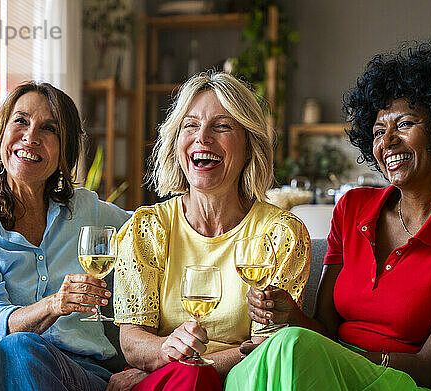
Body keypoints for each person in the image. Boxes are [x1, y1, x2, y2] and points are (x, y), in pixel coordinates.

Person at [225, 38, 431, 390]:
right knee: (264, 359)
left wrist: (333, 352)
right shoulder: (352, 208)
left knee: (288, 351)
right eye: (378, 131)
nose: (387, 141)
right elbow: (326, 331)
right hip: (327, 373)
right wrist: (292, 317)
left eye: (404, 124)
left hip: (413, 383)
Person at [106, 72, 311, 391]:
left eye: (222, 125)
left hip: (244, 382)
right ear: (176, 143)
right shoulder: (148, 227)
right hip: (168, 380)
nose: (202, 137)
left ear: (248, 145)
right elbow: (132, 341)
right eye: (190, 124)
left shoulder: (279, 234)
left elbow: (267, 348)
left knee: (196, 375)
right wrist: (166, 353)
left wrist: (191, 366)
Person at [0, 82, 131, 390]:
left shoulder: (89, 211)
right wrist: (55, 304)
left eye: (49, 129)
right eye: (21, 121)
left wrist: (148, 362)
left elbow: (158, 229)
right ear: (0, 138)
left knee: (20, 349)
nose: (31, 137)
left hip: (80, 372)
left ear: (64, 151)